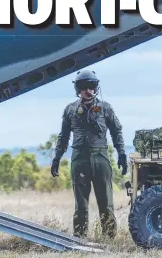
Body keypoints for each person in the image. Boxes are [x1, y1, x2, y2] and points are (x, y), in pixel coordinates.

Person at [50, 69, 127, 238]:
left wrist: (122, 153)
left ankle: (109, 238)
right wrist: (57, 158)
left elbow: (116, 131)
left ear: (96, 87)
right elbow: (63, 136)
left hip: (101, 158)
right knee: (81, 204)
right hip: (80, 158)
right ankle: (80, 238)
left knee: (106, 202)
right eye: (84, 87)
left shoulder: (106, 108)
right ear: (78, 89)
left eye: (91, 86)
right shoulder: (70, 110)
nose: (88, 90)